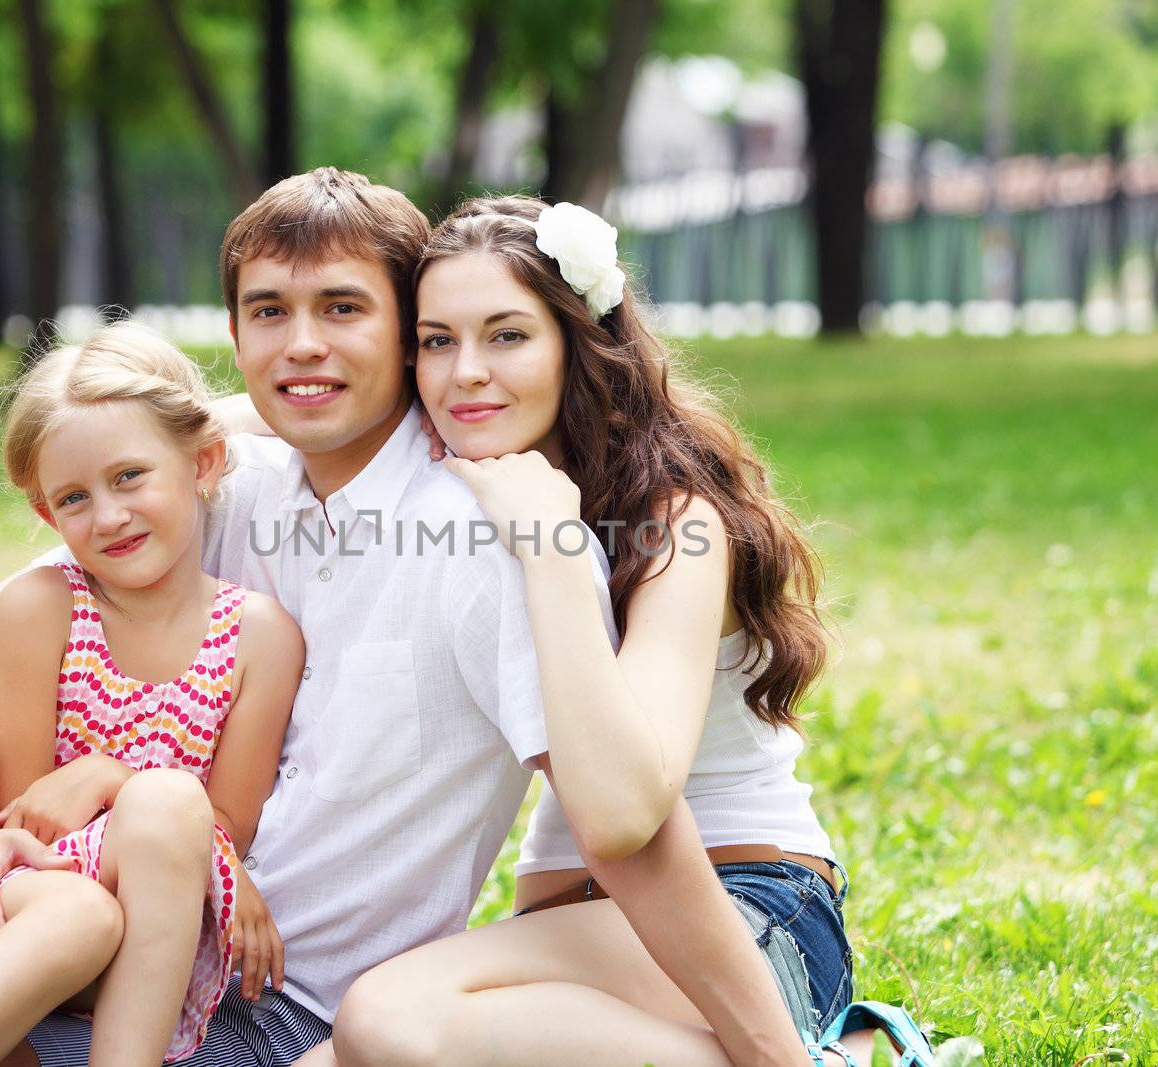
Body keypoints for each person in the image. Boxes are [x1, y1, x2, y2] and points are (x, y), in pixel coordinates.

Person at [0, 167, 609, 1067]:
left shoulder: (488, 529)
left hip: (258, 986)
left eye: (342, 308)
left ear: (412, 333)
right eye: (269, 313)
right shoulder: (236, 472)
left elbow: (611, 792)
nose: (302, 346)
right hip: (96, 876)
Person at [312, 196, 934, 1067]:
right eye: (437, 340)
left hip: (744, 916)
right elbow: (269, 417)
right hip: (579, 932)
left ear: (578, 342)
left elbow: (621, 811)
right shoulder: (465, 472)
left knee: (385, 1018)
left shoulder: (675, 521)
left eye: (508, 335)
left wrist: (556, 552)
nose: (465, 374)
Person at [0, 323, 303, 1067]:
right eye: (75, 497)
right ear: (48, 515)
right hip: (15, 905)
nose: (107, 515)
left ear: (203, 461)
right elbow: (21, 818)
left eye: (130, 476)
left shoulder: (261, 638)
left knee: (166, 804)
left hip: (154, 935)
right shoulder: (45, 608)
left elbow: (225, 823)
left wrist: (111, 775)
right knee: (81, 911)